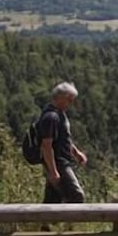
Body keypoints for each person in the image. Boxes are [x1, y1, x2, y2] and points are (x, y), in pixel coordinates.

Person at [38, 82, 87, 210]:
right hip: (58, 163)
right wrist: (53, 171)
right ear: (60, 97)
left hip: (60, 162)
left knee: (52, 201)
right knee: (76, 196)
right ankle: (70, 223)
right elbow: (46, 146)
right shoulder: (51, 117)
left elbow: (63, 139)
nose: (71, 104)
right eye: (69, 100)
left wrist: (76, 153)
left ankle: (44, 222)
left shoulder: (59, 114)